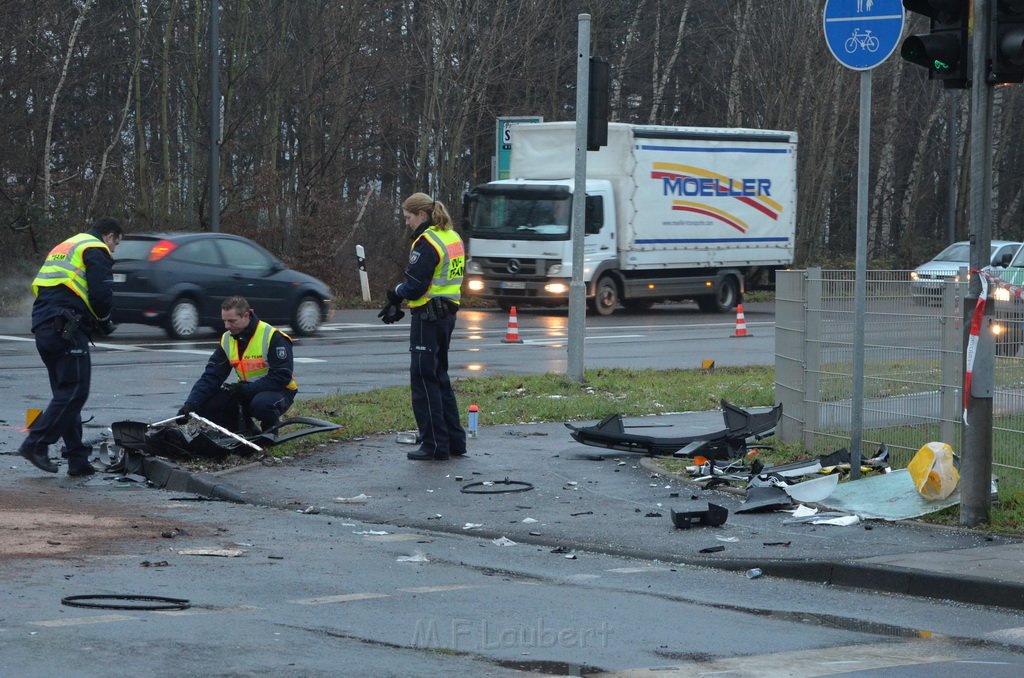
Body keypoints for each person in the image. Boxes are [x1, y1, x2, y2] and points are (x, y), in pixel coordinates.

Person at [19, 217, 124, 476]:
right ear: (110, 236)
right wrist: (103, 319)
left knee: (66, 396)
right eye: (116, 244)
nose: (113, 250)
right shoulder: (95, 247)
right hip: (65, 326)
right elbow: (101, 295)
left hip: (45, 325)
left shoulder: (65, 245)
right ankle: (36, 444)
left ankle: (78, 460)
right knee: (75, 391)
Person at [378, 192, 467, 461]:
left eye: (408, 217)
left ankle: (433, 444)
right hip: (447, 314)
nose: (406, 223)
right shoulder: (452, 237)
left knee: (423, 379)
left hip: (427, 318)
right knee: (440, 377)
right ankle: (454, 441)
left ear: (422, 215)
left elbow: (415, 286)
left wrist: (395, 294)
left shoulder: (426, 242)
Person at [177, 296, 297, 435]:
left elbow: (281, 377)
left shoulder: (273, 337)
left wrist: (246, 390)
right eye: (225, 321)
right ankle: (247, 433)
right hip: (246, 389)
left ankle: (270, 435)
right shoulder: (227, 339)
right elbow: (212, 376)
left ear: (246, 316)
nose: (227, 326)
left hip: (279, 391)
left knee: (261, 405)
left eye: (232, 321)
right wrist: (191, 404)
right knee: (206, 404)